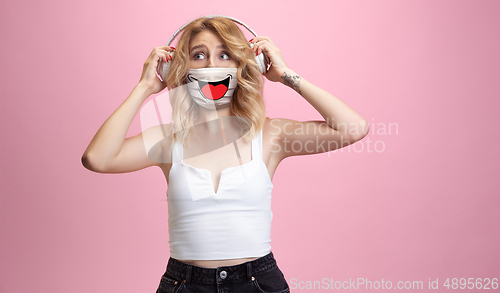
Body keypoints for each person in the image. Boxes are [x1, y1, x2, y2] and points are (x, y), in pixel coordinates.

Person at [82, 16, 369, 293]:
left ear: (244, 65)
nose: (210, 64)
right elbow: (97, 159)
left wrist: (285, 76)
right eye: (198, 55)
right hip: (184, 284)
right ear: (180, 69)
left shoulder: (272, 135)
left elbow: (353, 128)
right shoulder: (167, 139)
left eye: (224, 55)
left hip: (258, 282)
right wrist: (144, 87)